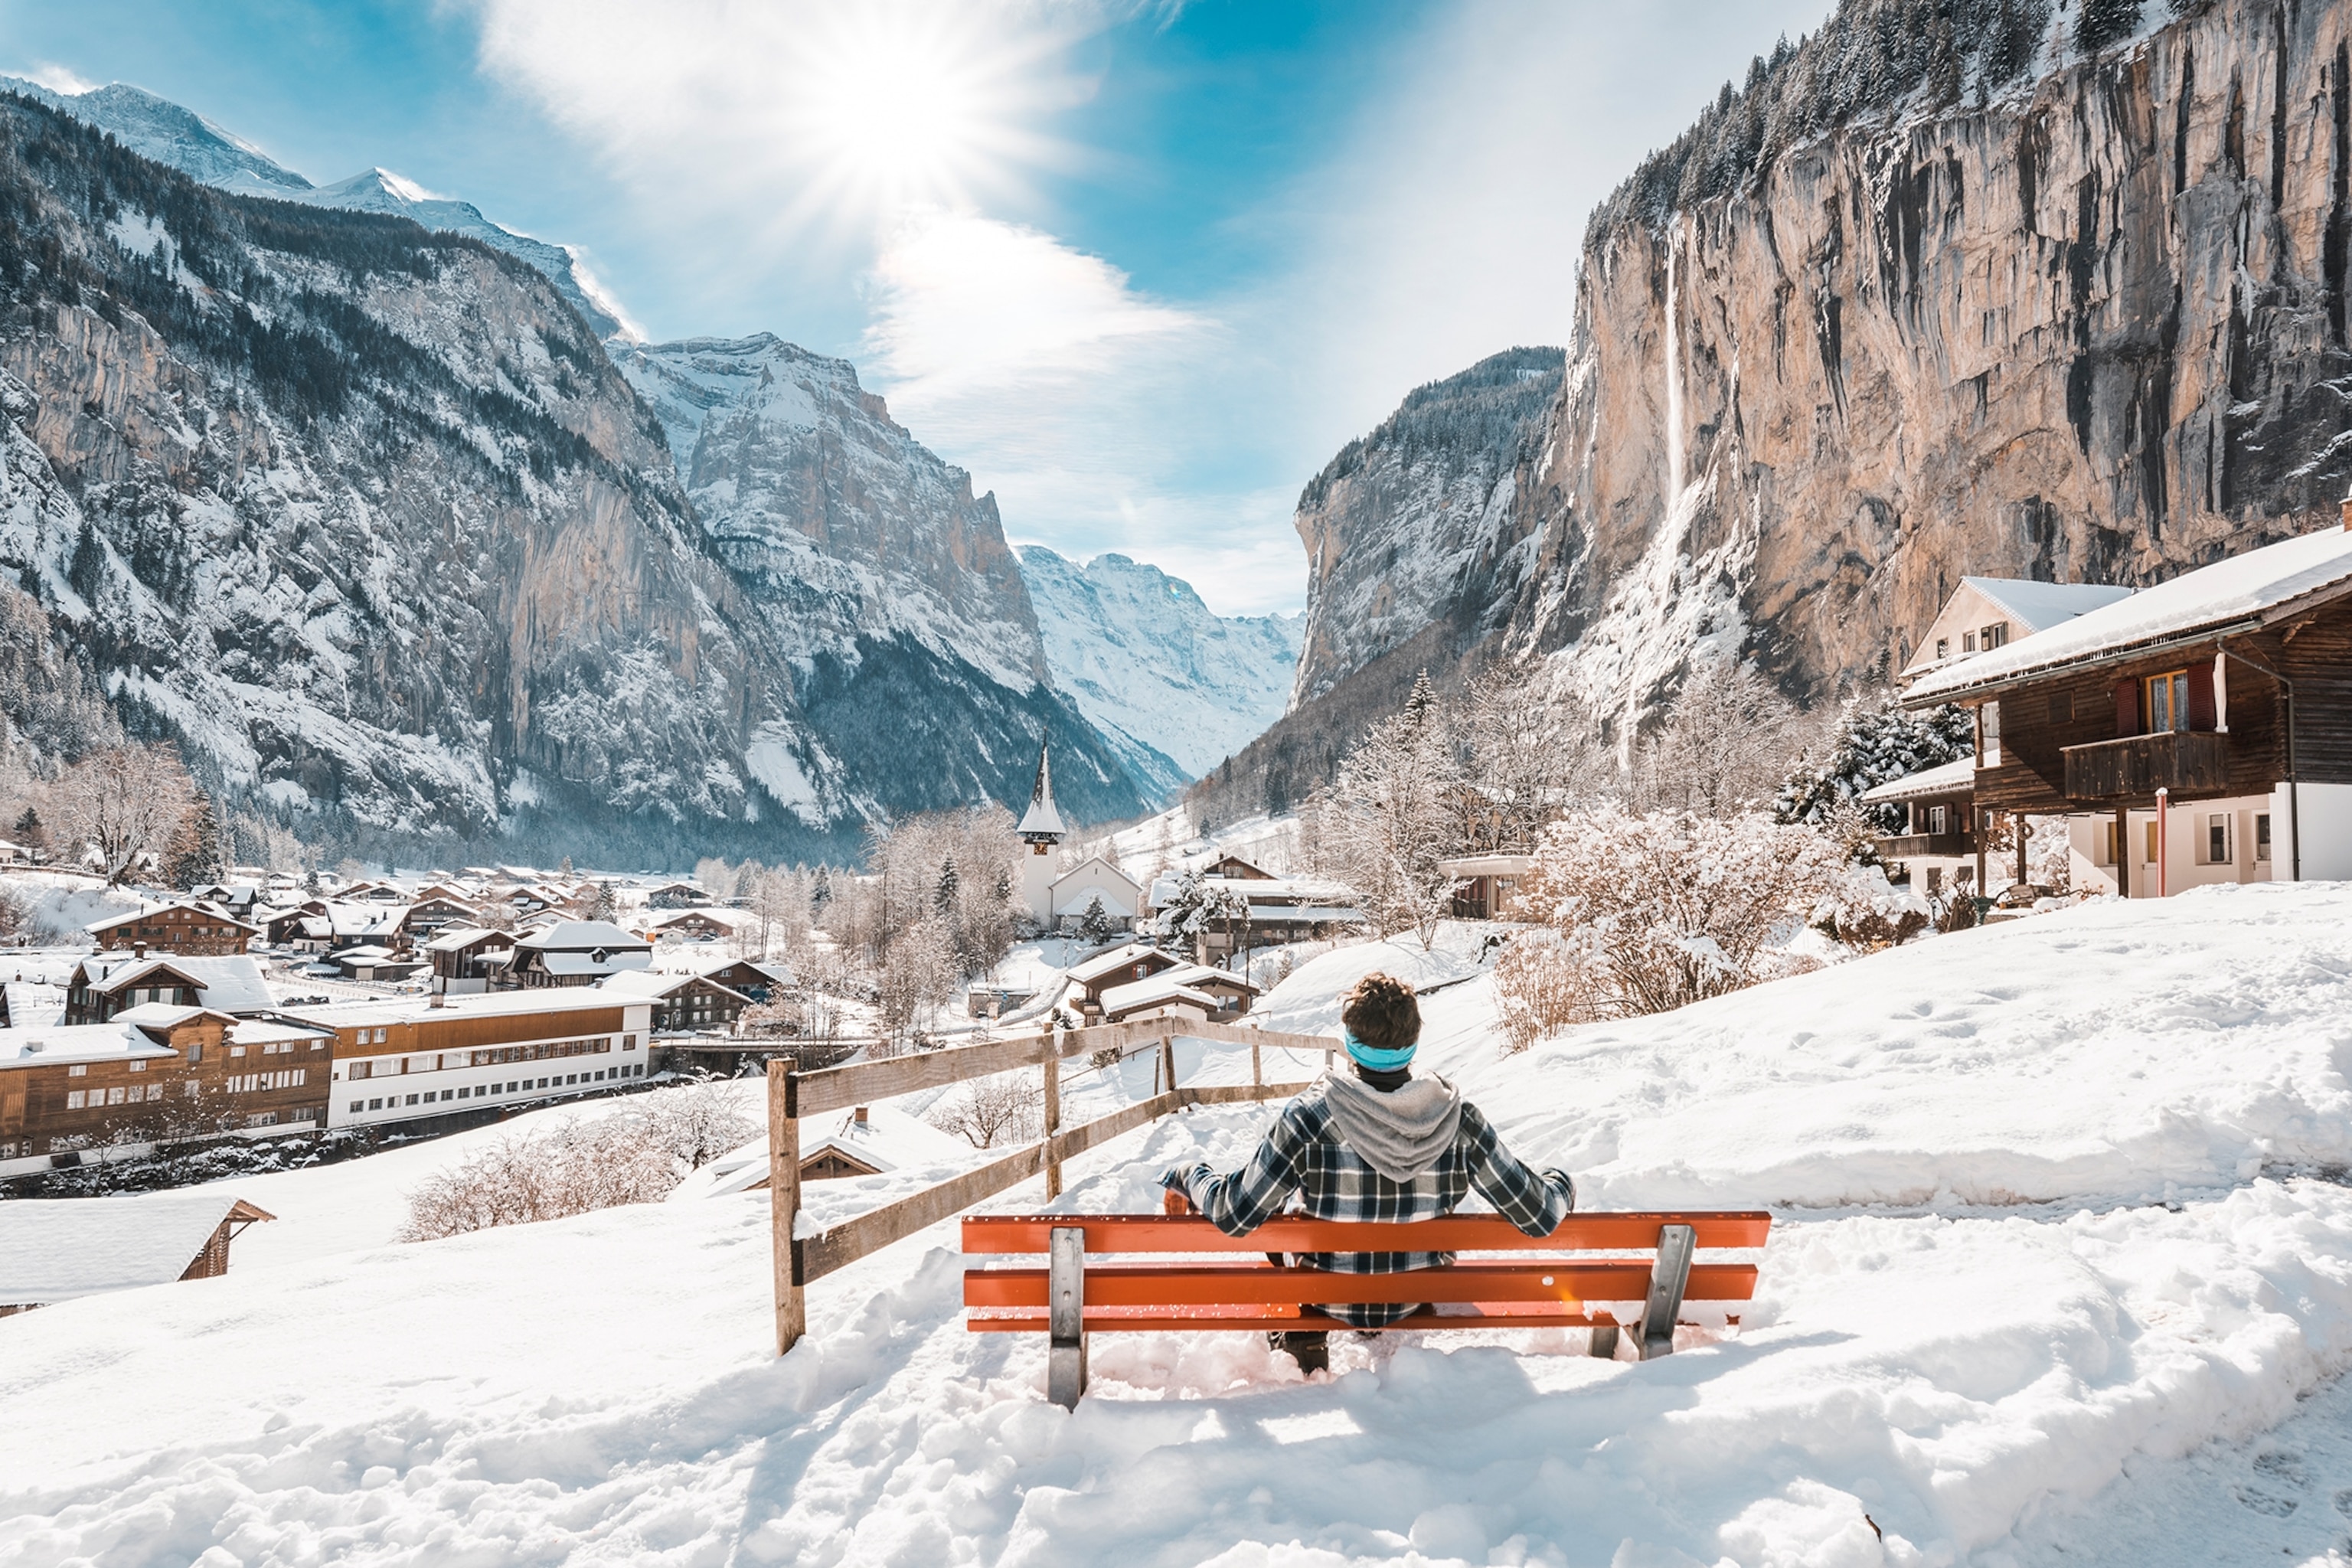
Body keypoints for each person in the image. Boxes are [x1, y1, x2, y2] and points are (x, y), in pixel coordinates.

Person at [1159, 971, 1576, 1374]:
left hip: (1325, 1295)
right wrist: (1563, 1184)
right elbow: (1539, 1216)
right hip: (1419, 1294)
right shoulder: (1458, 1119)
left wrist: (1189, 1174)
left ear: (1351, 1044)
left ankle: (1299, 1336)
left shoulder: (1310, 1117)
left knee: (1279, 1235)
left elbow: (1236, 1213)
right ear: (1412, 1043)